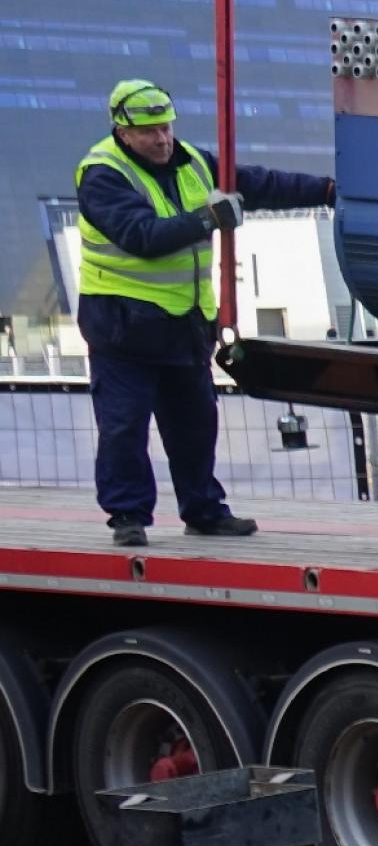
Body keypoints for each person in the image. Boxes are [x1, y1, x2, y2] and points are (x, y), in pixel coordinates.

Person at [75, 79, 335, 547]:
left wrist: (328, 189)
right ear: (122, 131)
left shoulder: (193, 160)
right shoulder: (102, 173)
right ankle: (128, 517)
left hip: (183, 325)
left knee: (195, 425)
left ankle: (204, 510)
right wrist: (209, 219)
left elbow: (259, 183)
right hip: (123, 330)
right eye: (149, 131)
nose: (161, 139)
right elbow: (142, 236)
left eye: (166, 127)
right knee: (123, 426)